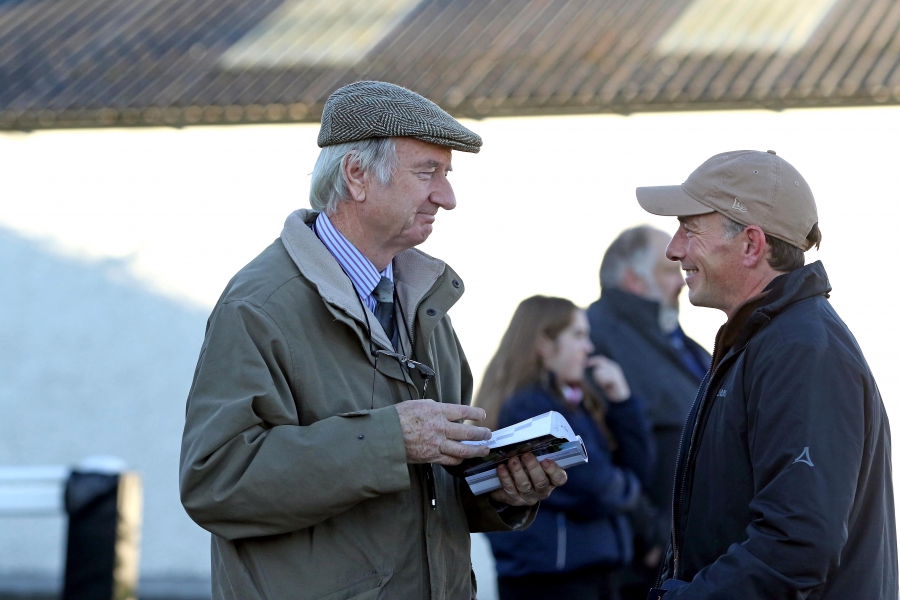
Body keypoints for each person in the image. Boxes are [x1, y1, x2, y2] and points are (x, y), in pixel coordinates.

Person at [178, 81, 567, 600]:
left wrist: (502, 491)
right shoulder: (260, 305)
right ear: (357, 176)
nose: (447, 197)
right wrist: (389, 440)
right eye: (428, 172)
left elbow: (426, 492)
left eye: (446, 175)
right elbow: (216, 482)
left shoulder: (424, 303)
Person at [635, 149, 897, 599]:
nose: (674, 249)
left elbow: (796, 545)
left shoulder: (802, 351)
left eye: (689, 229)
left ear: (752, 245)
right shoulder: (770, 340)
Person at [476, 295, 655, 600]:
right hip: (551, 584)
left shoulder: (576, 404)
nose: (588, 348)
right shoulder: (528, 409)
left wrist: (622, 402)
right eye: (578, 336)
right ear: (544, 344)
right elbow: (594, 487)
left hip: (589, 578)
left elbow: (640, 469)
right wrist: (629, 490)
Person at [586, 226, 710, 599]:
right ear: (632, 278)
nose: (681, 281)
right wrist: (653, 533)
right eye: (669, 270)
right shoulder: (594, 335)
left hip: (699, 559)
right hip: (642, 569)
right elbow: (592, 453)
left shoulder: (686, 347)